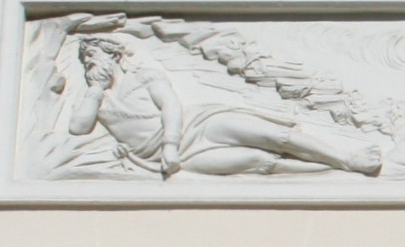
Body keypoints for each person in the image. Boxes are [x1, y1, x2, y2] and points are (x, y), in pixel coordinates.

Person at [60, 36, 385, 177]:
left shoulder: (145, 76)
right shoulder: (94, 99)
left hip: (194, 127)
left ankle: (345, 157)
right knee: (257, 162)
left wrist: (171, 145)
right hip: (167, 157)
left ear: (114, 55)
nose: (89, 62)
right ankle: (333, 170)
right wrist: (96, 91)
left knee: (273, 137)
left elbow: (171, 107)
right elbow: (77, 127)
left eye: (93, 55)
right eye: (85, 59)